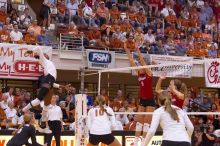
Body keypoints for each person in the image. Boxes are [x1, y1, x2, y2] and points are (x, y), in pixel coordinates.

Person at [22, 48, 69, 116]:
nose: (45, 54)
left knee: (47, 103)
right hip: (48, 79)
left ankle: (43, 121)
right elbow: (38, 48)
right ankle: (23, 110)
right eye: (44, 54)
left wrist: (62, 86)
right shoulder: (43, 60)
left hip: (50, 80)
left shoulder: (47, 64)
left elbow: (52, 83)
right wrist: (31, 51)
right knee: (38, 100)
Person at [125, 46, 155, 146]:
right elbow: (131, 61)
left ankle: (144, 143)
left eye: (142, 67)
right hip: (142, 99)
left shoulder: (149, 74)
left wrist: (137, 50)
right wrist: (127, 49)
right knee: (139, 123)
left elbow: (142, 61)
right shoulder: (139, 74)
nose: (140, 67)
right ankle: (136, 141)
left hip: (150, 100)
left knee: (146, 124)